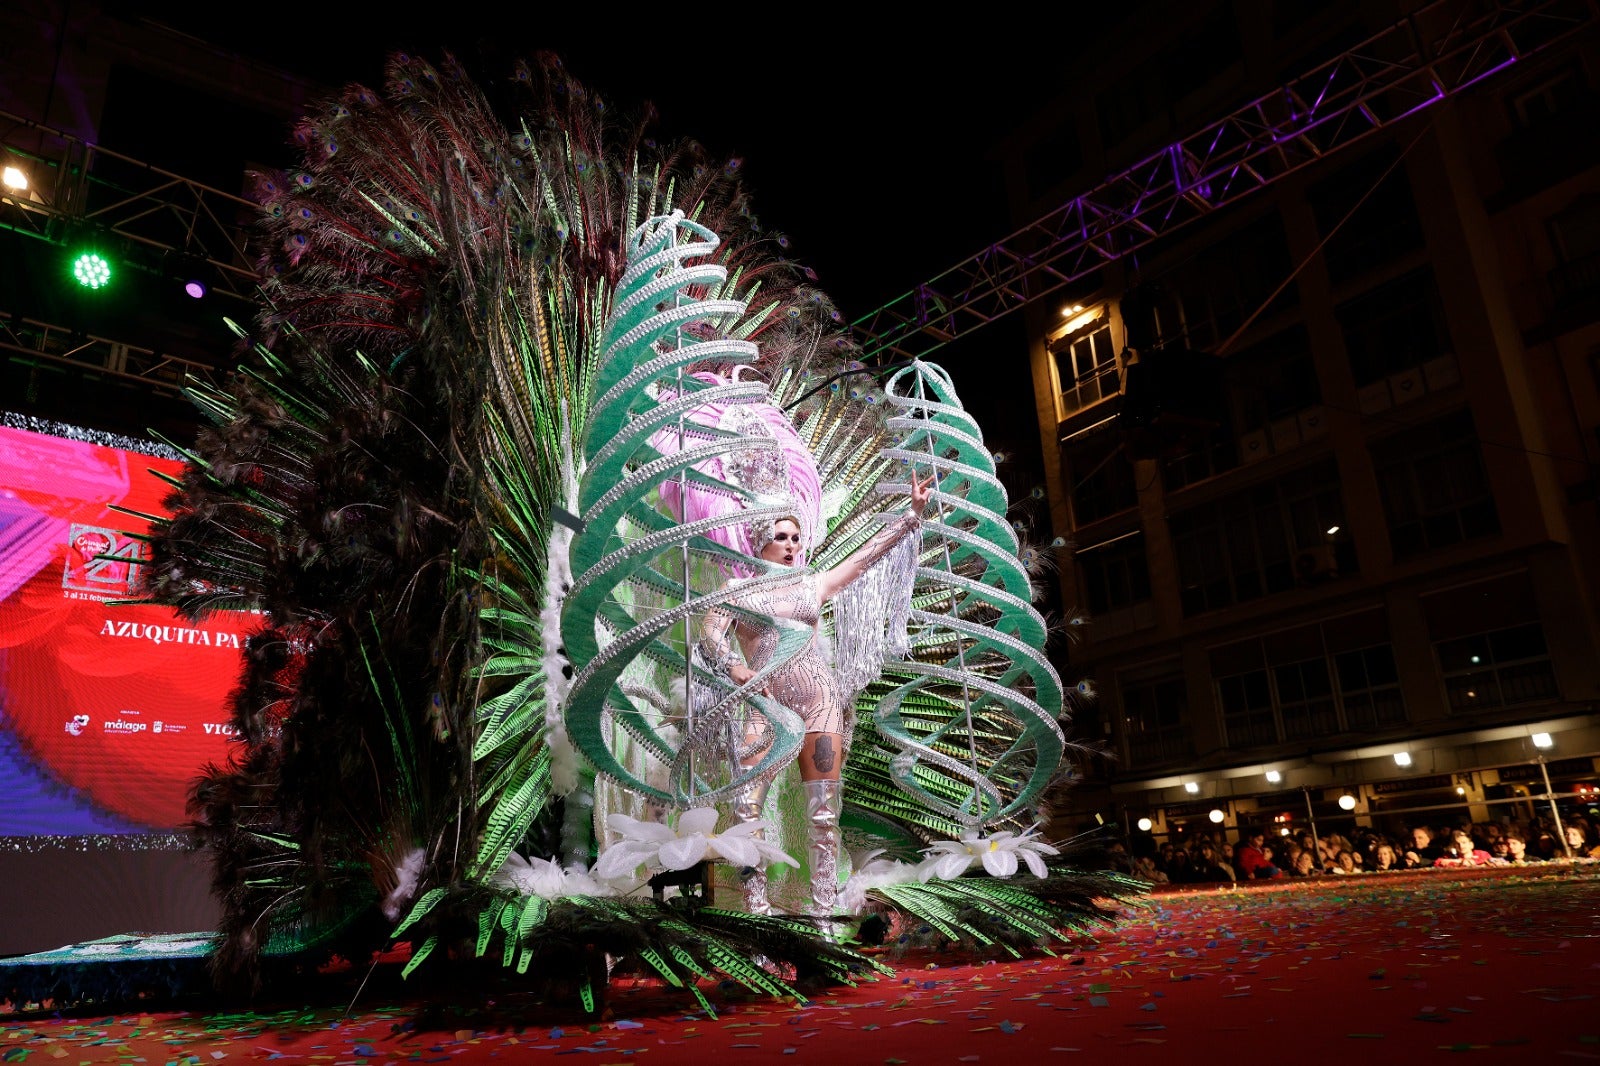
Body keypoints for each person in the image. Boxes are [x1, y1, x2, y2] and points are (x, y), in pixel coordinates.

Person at [699, 470, 935, 917]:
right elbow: (710, 638)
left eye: (796, 537)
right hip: (763, 705)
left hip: (817, 702)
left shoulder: (813, 584)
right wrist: (738, 669)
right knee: (746, 809)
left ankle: (823, 912)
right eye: (781, 536)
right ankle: (758, 913)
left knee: (823, 815)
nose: (791, 545)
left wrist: (910, 517)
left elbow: (864, 560)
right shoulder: (737, 591)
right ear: (760, 542)